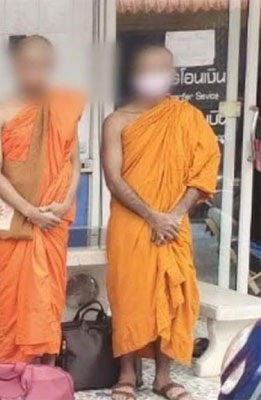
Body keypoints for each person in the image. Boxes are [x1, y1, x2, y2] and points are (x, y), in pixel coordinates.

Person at [102, 45, 219, 400]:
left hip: (174, 224)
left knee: (172, 296)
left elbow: (203, 171)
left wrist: (174, 215)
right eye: (147, 69)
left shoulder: (188, 117)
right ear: (135, 74)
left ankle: (163, 378)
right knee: (129, 296)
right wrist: (152, 216)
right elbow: (113, 178)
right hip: (131, 224)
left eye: (162, 70)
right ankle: (126, 375)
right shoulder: (117, 121)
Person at [0, 36, 84, 365]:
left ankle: (47, 373)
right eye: (28, 66)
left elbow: (73, 162)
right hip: (16, 224)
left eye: (42, 66)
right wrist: (29, 212)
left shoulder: (62, 110)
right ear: (15, 67)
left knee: (49, 295)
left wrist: (64, 203)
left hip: (53, 221)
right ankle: (10, 371)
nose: (35, 73)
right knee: (12, 297)